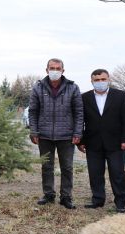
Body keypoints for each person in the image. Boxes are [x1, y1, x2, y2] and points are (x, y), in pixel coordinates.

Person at [28, 58, 83, 209]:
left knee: (67, 167)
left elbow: (79, 112)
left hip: (66, 135)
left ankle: (66, 197)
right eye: (52, 68)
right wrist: (34, 130)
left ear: (63, 71)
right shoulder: (38, 87)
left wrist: (78, 132)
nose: (55, 71)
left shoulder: (73, 88)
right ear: (46, 70)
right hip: (44, 135)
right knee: (47, 166)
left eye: (58, 68)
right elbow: (33, 111)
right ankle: (48, 194)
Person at [77, 69, 125, 213]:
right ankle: (98, 199)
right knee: (95, 173)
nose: (100, 82)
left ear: (108, 79)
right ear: (92, 81)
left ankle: (121, 202)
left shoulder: (120, 96)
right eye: (97, 80)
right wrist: (81, 141)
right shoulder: (85, 97)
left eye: (103, 79)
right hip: (93, 142)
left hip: (116, 143)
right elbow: (80, 120)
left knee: (117, 173)